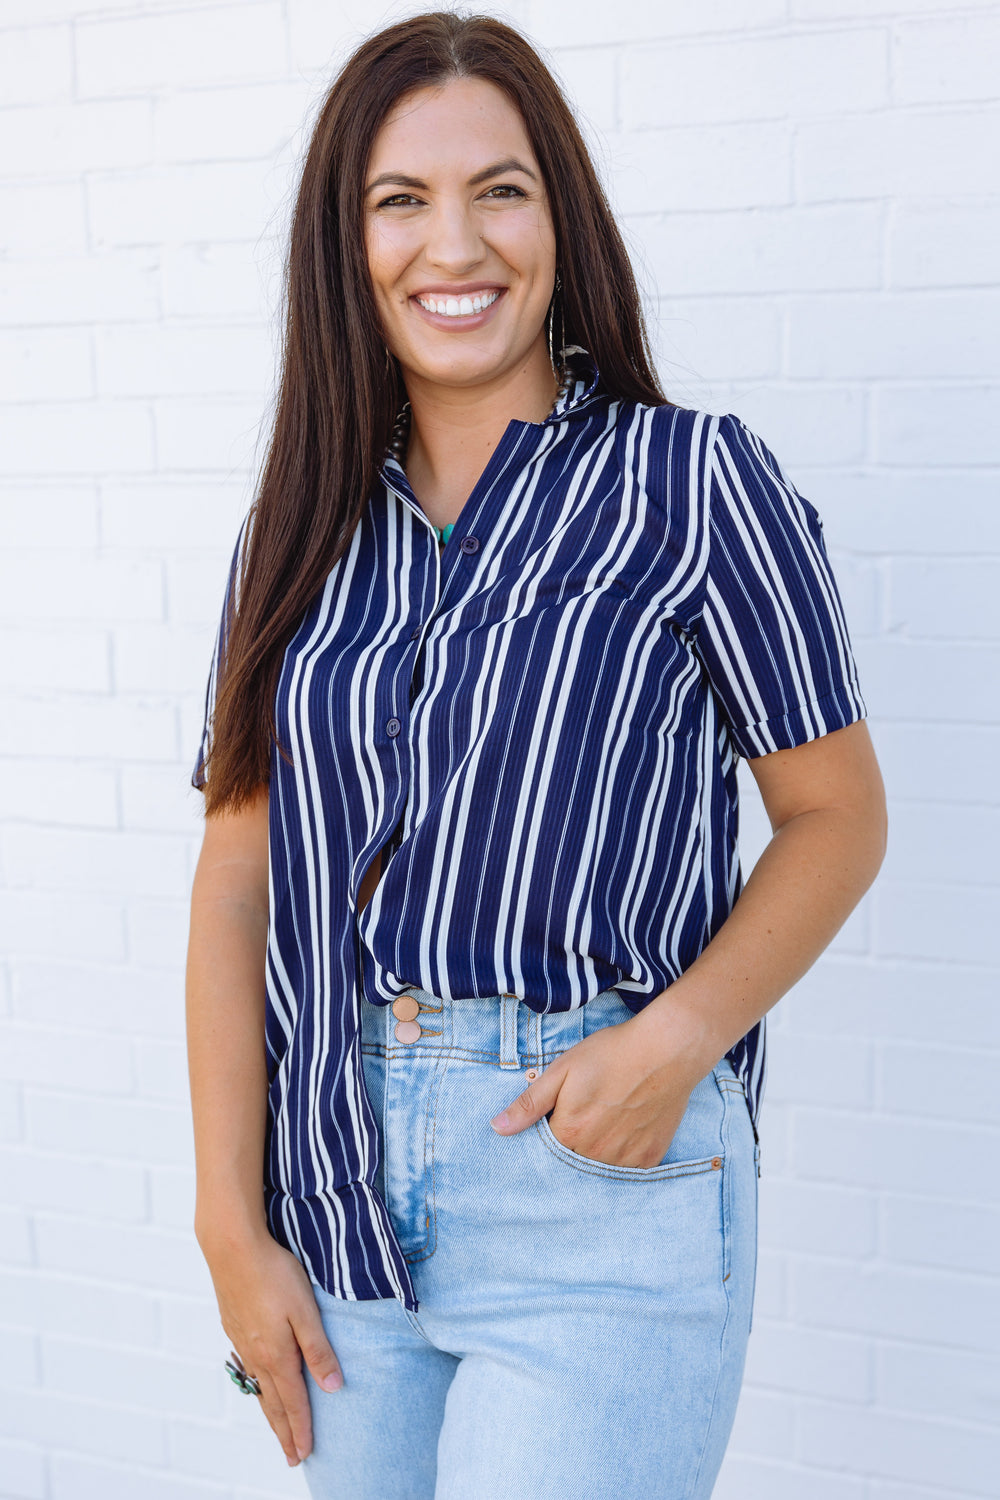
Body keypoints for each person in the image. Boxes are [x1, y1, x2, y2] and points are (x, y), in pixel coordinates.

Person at [185, 11, 887, 1498]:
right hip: (336, 1203)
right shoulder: (295, 534)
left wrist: (675, 1043)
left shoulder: (690, 483)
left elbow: (835, 818)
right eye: (402, 201)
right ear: (346, 245)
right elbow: (236, 875)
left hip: (596, 1181)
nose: (457, 244)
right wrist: (226, 1225)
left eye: (500, 189)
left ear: (559, 217)